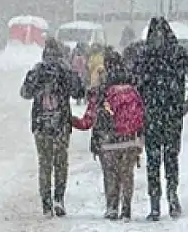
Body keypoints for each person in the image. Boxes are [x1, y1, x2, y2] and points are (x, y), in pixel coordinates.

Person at [131, 16, 188, 220]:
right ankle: (170, 197)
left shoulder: (145, 55)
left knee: (156, 159)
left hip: (154, 115)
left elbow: (134, 83)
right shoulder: (177, 53)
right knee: (169, 158)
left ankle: (157, 203)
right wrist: (187, 103)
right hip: (169, 114)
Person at [72, 51, 146, 220]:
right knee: (127, 174)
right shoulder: (134, 86)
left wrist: (71, 121)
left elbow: (88, 121)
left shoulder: (101, 90)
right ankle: (126, 208)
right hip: (130, 138)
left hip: (108, 140)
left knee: (110, 174)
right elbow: (143, 113)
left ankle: (112, 206)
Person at [20, 38, 86, 217]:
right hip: (61, 123)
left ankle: (46, 203)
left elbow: (25, 93)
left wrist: (39, 88)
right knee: (61, 162)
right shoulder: (65, 70)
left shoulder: (37, 70)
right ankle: (59, 197)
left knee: (44, 163)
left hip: (41, 124)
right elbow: (79, 91)